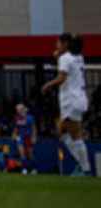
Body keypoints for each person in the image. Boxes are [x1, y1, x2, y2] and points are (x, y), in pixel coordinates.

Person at [42, 33, 93, 177]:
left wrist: (48, 85)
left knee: (75, 135)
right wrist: (58, 55)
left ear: (65, 44)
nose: (56, 45)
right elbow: (67, 65)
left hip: (71, 99)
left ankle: (85, 169)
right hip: (78, 98)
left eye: (58, 43)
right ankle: (82, 165)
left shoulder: (65, 58)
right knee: (62, 132)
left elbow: (62, 77)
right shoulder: (78, 57)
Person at [13, 103, 36, 174]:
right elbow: (16, 128)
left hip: (28, 137)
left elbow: (33, 128)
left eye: (19, 109)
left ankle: (33, 169)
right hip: (20, 137)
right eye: (17, 109)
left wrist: (34, 137)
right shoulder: (17, 118)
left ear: (22, 109)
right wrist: (14, 134)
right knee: (22, 153)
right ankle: (24, 169)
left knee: (30, 154)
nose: (18, 111)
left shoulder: (30, 117)